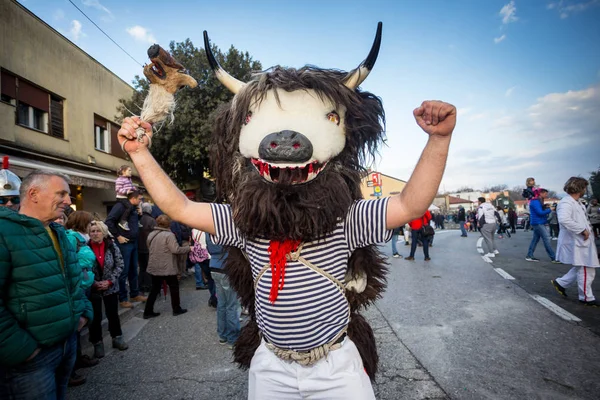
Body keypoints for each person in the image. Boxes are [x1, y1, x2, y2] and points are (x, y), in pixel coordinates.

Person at [0, 170, 93, 400]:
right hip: (31, 360)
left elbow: (74, 280)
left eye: (68, 195)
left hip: (67, 345)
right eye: (61, 194)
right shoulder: (4, 232)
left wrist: (84, 314)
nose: (69, 201)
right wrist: (22, 349)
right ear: (33, 194)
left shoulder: (58, 232)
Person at [551, 177, 599, 307]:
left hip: (581, 241)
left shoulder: (576, 202)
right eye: (584, 187)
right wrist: (582, 230)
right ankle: (586, 297)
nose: (585, 190)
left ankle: (561, 283)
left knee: (584, 266)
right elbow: (564, 220)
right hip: (576, 241)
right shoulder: (566, 203)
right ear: (580, 188)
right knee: (586, 268)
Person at [65, 211, 99, 387]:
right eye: (89, 222)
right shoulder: (71, 238)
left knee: (79, 327)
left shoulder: (81, 238)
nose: (92, 226)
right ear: (82, 222)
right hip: (77, 287)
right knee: (74, 328)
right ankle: (69, 370)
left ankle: (77, 360)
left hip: (85, 285)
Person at [88, 220, 129, 358]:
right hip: (93, 288)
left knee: (113, 314)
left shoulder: (112, 246)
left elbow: (120, 265)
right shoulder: (85, 248)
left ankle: (117, 337)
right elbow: (83, 268)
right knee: (95, 317)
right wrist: (93, 282)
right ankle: (97, 343)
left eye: (98, 230)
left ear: (104, 232)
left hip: (111, 287)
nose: (95, 233)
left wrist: (110, 281)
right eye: (92, 231)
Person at [105, 190, 147, 308]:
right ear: (133, 198)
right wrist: (118, 236)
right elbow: (109, 222)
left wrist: (139, 215)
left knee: (134, 270)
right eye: (139, 199)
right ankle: (123, 298)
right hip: (124, 244)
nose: (141, 201)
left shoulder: (133, 208)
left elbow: (132, 224)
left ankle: (134, 294)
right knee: (123, 271)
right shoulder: (120, 206)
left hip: (133, 242)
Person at [144, 214, 190, 318]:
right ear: (169, 224)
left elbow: (149, 247)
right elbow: (176, 250)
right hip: (168, 266)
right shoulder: (169, 235)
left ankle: (147, 311)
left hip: (154, 266)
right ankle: (176, 309)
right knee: (174, 287)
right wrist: (189, 248)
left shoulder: (151, 234)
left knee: (154, 289)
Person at [206, 234, 241, 348]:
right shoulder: (223, 229)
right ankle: (233, 338)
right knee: (231, 305)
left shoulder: (208, 230)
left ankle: (222, 335)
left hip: (214, 266)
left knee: (222, 304)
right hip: (226, 266)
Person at [525, 189, 559, 263]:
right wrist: (550, 209)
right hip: (538, 222)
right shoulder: (535, 202)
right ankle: (553, 257)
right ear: (540, 193)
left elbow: (539, 211)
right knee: (546, 238)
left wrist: (544, 207)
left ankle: (529, 255)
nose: (546, 195)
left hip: (537, 222)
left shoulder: (535, 201)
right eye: (545, 194)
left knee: (535, 240)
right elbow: (540, 212)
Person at [191, 229, 218, 307]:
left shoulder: (194, 230)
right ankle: (214, 298)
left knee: (209, 278)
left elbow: (194, 240)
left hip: (200, 256)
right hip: (209, 255)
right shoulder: (208, 229)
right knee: (214, 279)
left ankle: (213, 297)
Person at [138, 202, 157, 293]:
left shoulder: (139, 219)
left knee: (142, 268)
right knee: (149, 268)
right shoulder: (151, 220)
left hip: (139, 248)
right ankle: (149, 286)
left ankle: (141, 286)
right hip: (149, 248)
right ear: (150, 210)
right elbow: (155, 234)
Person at [115, 165, 137, 231]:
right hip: (121, 197)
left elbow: (130, 186)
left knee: (134, 206)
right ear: (124, 171)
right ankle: (123, 221)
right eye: (129, 170)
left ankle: (134, 221)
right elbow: (118, 189)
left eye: (131, 170)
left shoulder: (129, 179)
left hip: (127, 197)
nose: (131, 172)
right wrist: (126, 192)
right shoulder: (119, 180)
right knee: (129, 207)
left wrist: (134, 189)